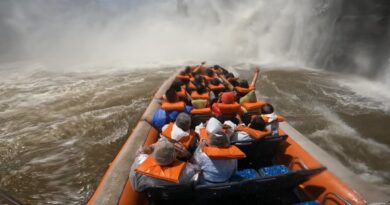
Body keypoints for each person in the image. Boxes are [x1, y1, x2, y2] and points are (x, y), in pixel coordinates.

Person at [129, 141, 198, 192]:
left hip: (156, 198)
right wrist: (187, 154)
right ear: (175, 157)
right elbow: (198, 168)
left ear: (153, 155)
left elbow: (140, 152)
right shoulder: (188, 172)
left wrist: (151, 147)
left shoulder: (139, 162)